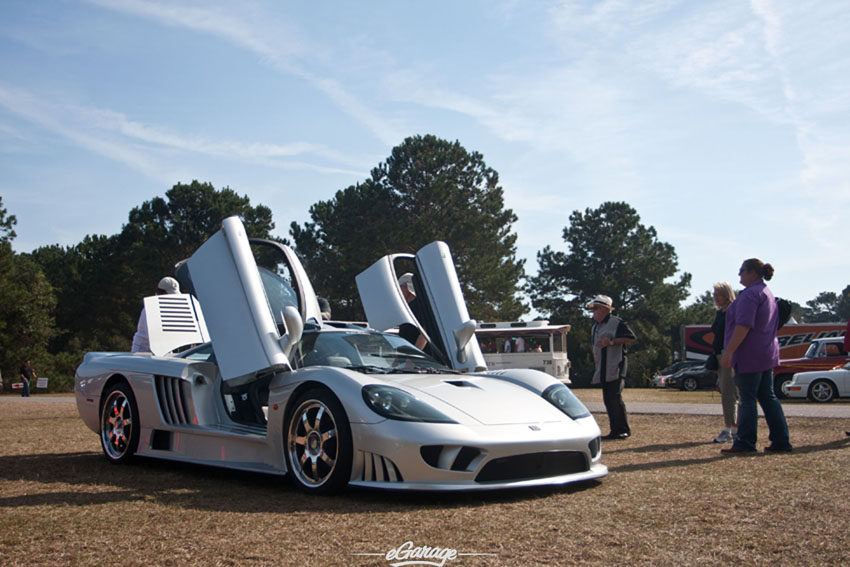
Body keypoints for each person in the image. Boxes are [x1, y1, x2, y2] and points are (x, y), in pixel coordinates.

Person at [720, 258, 792, 454]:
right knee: (768, 397)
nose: (739, 275)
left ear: (752, 272)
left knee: (747, 398)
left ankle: (745, 442)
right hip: (766, 353)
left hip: (749, 355)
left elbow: (743, 326)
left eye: (742, 271)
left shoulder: (750, 295)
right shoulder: (766, 292)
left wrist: (729, 351)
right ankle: (781, 440)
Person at [588, 294, 637, 440]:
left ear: (604, 309)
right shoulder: (595, 327)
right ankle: (614, 430)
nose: (593, 311)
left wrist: (611, 342)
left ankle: (623, 430)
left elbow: (631, 338)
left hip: (616, 365)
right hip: (603, 368)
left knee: (615, 398)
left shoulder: (616, 322)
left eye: (596, 308)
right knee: (608, 399)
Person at [711, 282, 738, 443]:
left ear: (727, 294)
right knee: (726, 391)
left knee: (729, 392)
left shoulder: (733, 310)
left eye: (718, 294)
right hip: (719, 355)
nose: (715, 298)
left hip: (728, 354)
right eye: (714, 294)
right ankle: (732, 427)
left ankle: (730, 429)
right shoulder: (720, 312)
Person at [131, 276, 181, 353]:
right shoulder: (150, 309)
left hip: (162, 350)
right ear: (160, 293)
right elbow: (153, 337)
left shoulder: (168, 307)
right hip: (143, 351)